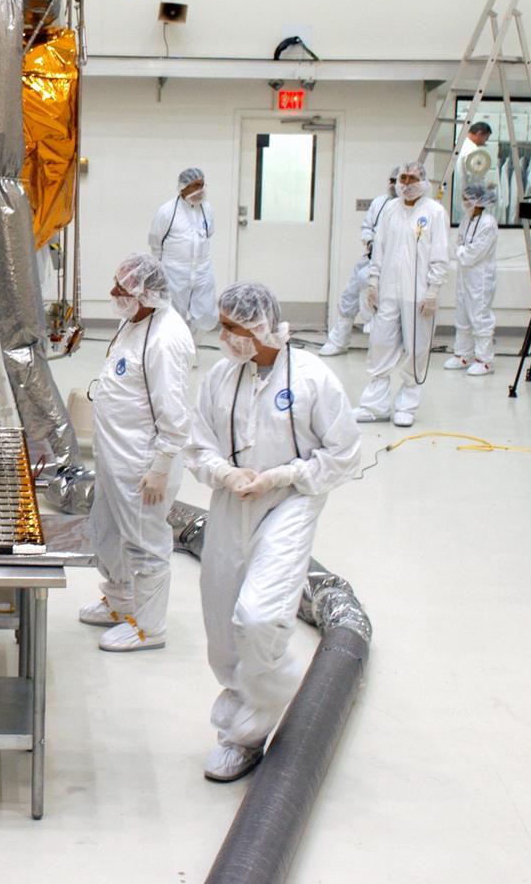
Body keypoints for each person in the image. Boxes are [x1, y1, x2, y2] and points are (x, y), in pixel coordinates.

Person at [186, 282, 361, 782]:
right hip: (229, 504)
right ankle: (241, 722)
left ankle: (254, 721)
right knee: (222, 621)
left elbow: (345, 452)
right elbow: (198, 445)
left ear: (260, 328)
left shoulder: (310, 379)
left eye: (232, 327)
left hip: (289, 504)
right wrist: (224, 473)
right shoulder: (222, 377)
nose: (223, 336)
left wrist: (284, 476)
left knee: (259, 616)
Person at [79, 253, 194, 652]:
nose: (113, 293)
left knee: (145, 542)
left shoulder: (166, 340)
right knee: (109, 532)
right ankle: (118, 601)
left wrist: (161, 466)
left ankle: (149, 627)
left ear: (147, 294)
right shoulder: (135, 320)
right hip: (115, 455)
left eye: (122, 288)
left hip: (142, 463)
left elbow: (175, 414)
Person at [354, 161, 448, 428]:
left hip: (418, 294)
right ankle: (375, 405)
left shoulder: (434, 212)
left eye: (412, 178)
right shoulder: (390, 210)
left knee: (417, 348)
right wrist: (373, 281)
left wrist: (433, 291)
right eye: (403, 179)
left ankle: (407, 405)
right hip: (388, 291)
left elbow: (440, 256)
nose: (407, 184)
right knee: (380, 344)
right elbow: (380, 248)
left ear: (424, 180)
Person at [319, 167, 398, 356]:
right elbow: (367, 226)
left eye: (399, 181)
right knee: (349, 296)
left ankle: (381, 342)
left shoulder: (406, 209)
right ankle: (339, 341)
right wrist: (370, 241)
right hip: (370, 257)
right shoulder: (380, 202)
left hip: (392, 263)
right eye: (392, 180)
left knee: (378, 298)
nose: (394, 185)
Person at [149, 167, 216, 336]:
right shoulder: (167, 211)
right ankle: (177, 351)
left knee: (206, 315)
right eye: (195, 185)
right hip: (174, 272)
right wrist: (158, 272)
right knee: (172, 315)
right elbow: (156, 242)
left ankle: (192, 350)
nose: (200, 190)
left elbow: (208, 234)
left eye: (202, 185)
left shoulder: (206, 209)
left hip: (202, 271)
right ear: (183, 187)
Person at [443, 183, 499, 376]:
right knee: (462, 315)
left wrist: (459, 253)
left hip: (480, 278)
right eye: (464, 198)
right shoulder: (466, 220)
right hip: (464, 276)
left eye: (467, 199)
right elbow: (459, 247)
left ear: (479, 201)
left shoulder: (488, 223)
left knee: (480, 317)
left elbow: (472, 253)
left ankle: (485, 361)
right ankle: (463, 355)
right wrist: (460, 252)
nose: (464, 202)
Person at [453, 121, 492, 221]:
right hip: (468, 199)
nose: (485, 143)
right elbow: (475, 178)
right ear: (479, 134)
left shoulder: (459, 145)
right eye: (485, 138)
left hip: (457, 196)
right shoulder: (472, 150)